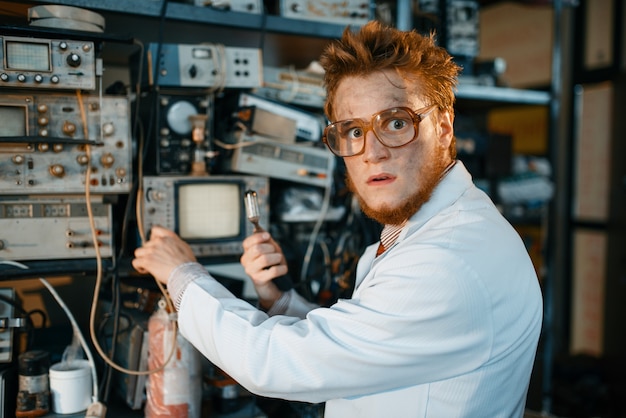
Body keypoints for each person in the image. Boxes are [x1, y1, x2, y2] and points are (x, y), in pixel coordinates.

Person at [133, 20, 543, 417]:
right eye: (352, 131)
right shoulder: (438, 227)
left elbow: (272, 363)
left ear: (445, 126)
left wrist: (181, 273)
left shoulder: (448, 261)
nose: (372, 152)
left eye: (396, 122)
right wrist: (280, 301)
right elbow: (364, 342)